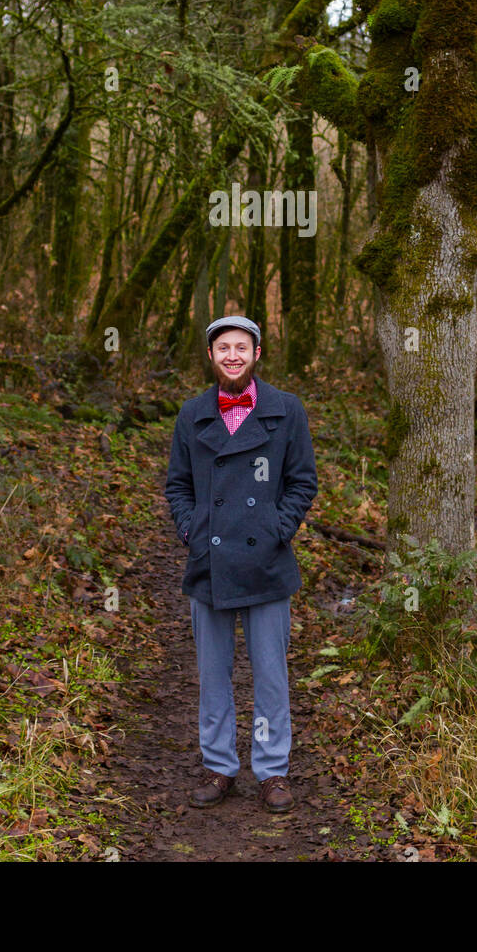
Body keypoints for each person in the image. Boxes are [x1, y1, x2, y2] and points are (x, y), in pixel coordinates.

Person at [164, 316, 318, 813]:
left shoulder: (286, 410)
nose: (233, 355)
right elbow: (178, 485)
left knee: (270, 675)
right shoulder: (191, 414)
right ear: (210, 356)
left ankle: (272, 771)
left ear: (257, 352)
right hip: (208, 562)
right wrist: (191, 531)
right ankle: (219, 766)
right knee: (213, 673)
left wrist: (277, 529)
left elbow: (302, 482)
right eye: (223, 348)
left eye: (242, 347)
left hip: (267, 564)